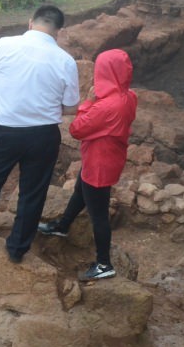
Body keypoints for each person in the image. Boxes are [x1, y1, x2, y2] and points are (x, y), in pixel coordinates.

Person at [0, 4, 80, 264]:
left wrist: (9, 102)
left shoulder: (3, 45)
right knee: (33, 192)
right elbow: (72, 107)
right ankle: (17, 248)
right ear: (59, 32)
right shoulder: (65, 60)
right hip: (43, 136)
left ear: (31, 22)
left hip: (5, 130)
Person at [38, 49, 137, 281]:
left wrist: (90, 101)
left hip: (99, 164)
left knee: (99, 215)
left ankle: (104, 264)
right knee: (80, 190)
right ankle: (62, 226)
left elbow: (77, 129)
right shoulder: (129, 96)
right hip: (108, 158)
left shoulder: (105, 106)